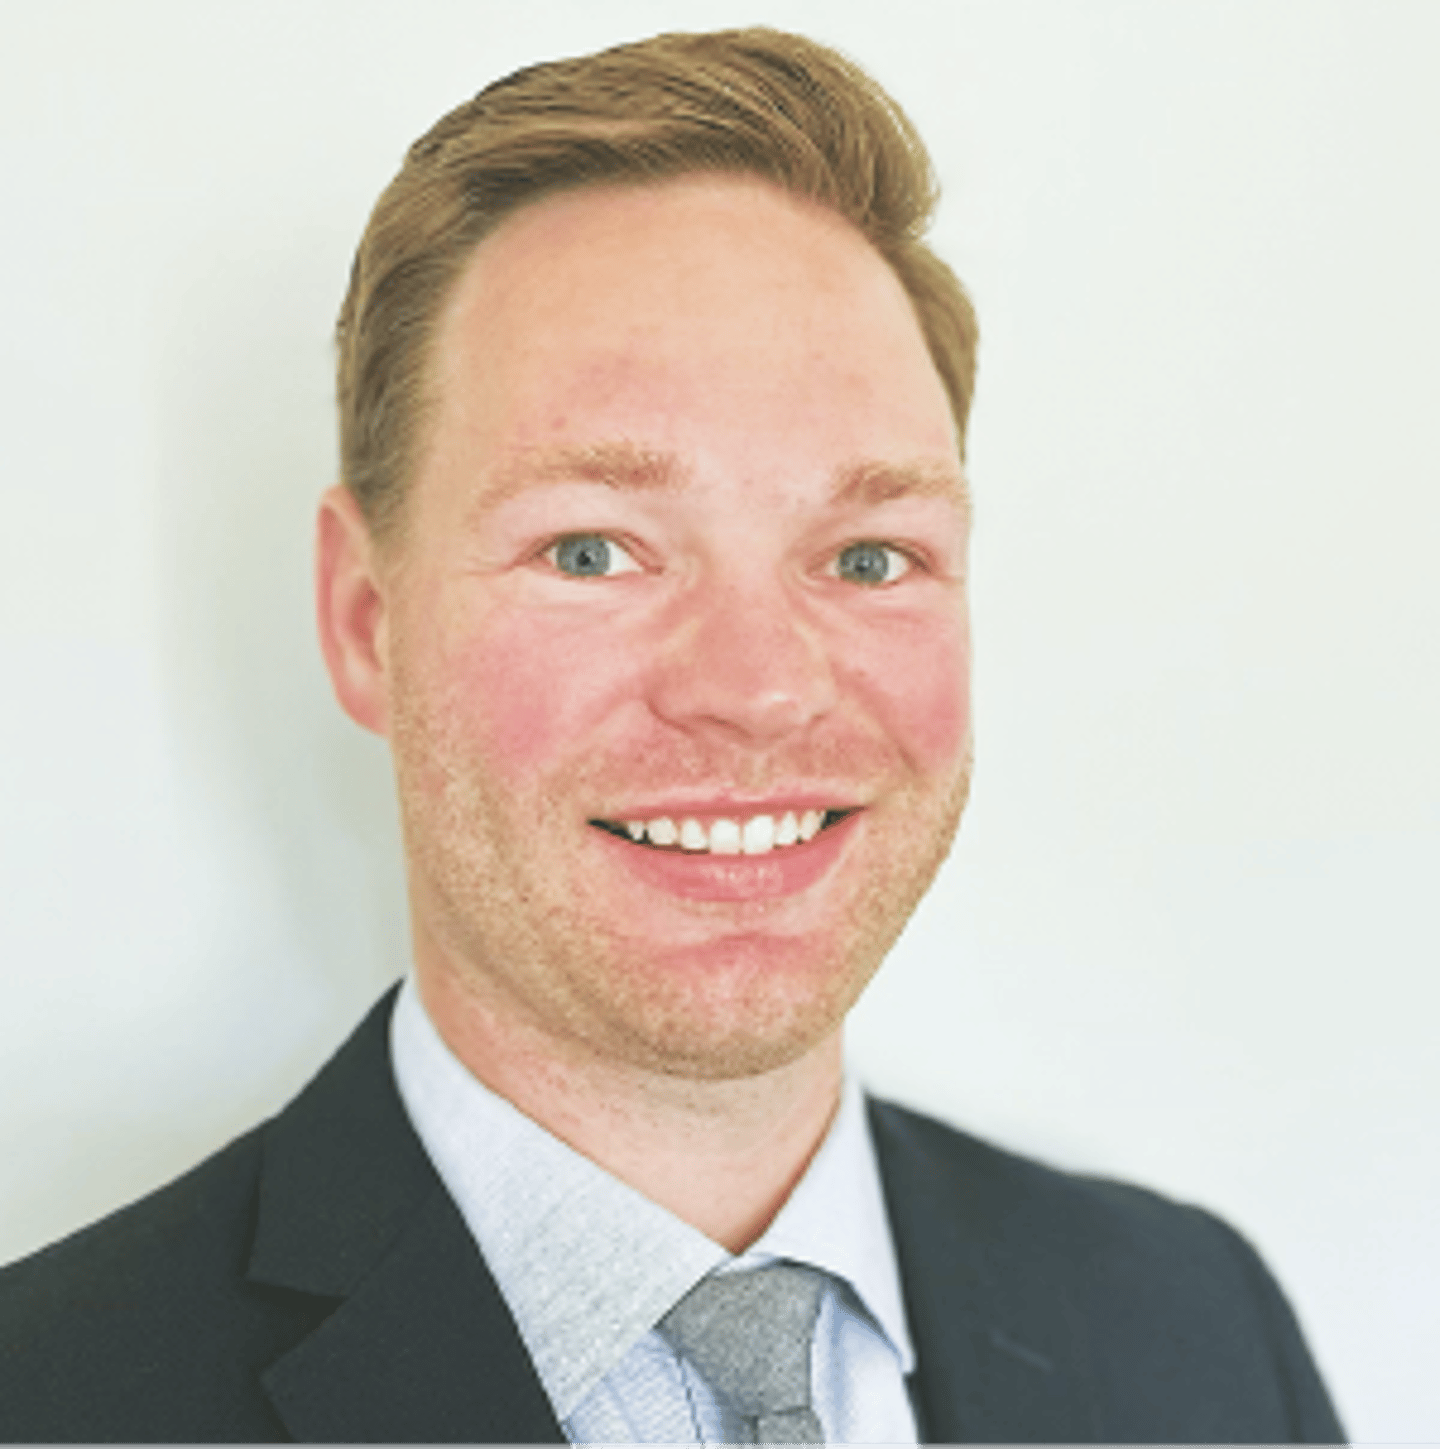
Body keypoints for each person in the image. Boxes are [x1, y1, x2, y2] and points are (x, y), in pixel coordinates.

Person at [0, 27, 1342, 1444]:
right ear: (361, 619)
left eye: (870, 555)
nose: (758, 689)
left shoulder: (1202, 1332)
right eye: (593, 549)